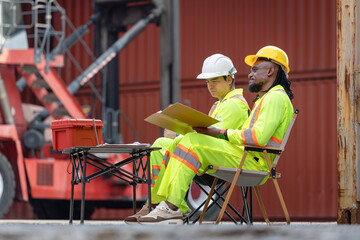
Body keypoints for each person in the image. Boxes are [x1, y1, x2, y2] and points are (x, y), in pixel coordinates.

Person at [137, 45, 295, 224]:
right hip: (248, 157)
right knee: (181, 141)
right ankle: (166, 204)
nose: (250, 74)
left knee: (193, 141)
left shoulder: (275, 98)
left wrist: (220, 133)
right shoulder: (268, 98)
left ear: (270, 71)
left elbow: (258, 138)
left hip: (253, 161)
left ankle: (172, 206)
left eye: (255, 69)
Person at [124, 54, 250, 224]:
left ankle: (172, 205)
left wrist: (177, 135)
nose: (210, 86)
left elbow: (215, 137)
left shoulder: (234, 104)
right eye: (207, 82)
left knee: (182, 141)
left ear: (229, 79)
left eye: (214, 81)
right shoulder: (220, 104)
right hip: (210, 154)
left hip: (223, 160)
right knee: (160, 144)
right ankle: (155, 203)